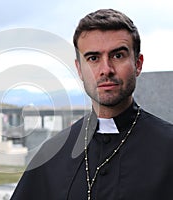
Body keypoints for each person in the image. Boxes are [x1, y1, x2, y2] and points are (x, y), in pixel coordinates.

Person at [11, 8, 173, 200]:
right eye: (93, 58)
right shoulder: (51, 155)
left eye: (118, 55)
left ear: (138, 64)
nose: (106, 69)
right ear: (79, 69)